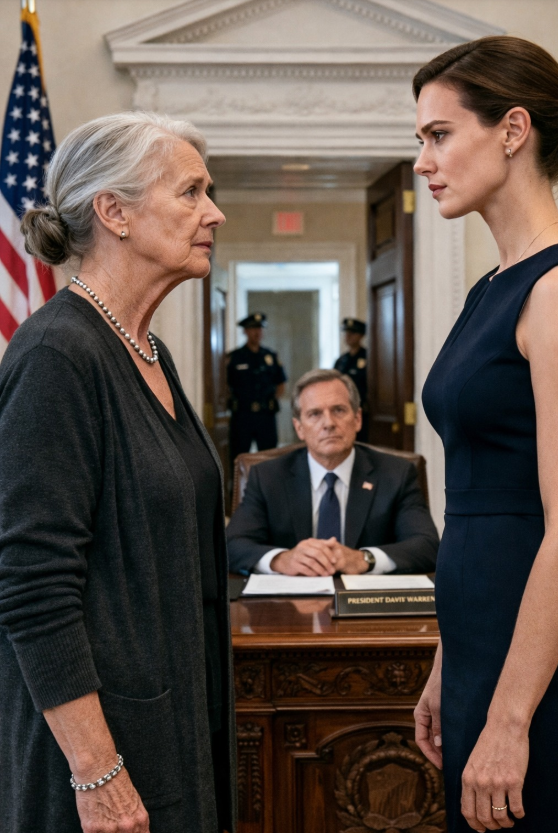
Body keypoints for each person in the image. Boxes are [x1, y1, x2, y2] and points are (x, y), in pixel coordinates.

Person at [0, 112, 236, 833]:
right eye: (191, 192)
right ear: (115, 212)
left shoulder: (149, 351)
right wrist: (97, 771)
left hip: (172, 725)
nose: (214, 213)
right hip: (98, 758)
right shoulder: (57, 355)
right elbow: (32, 585)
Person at [413, 36, 558, 833]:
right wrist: (449, 661)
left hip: (534, 665)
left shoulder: (554, 290)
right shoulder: (490, 289)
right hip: (478, 644)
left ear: (513, 129)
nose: (424, 161)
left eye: (440, 135)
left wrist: (509, 717)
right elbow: (475, 496)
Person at [227, 368, 438, 576]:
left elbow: (427, 545)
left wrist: (364, 559)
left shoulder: (396, 474)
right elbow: (232, 544)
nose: (328, 423)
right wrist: (281, 560)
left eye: (338, 410)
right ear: (299, 428)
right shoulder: (267, 477)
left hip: (366, 596)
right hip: (292, 595)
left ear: (357, 419)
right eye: (315, 414)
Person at [227, 312, 287, 463]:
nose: (257, 332)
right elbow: (226, 385)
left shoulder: (270, 356)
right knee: (239, 458)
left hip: (265, 415)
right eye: (253, 328)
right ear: (245, 331)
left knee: (269, 458)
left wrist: (272, 399)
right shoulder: (234, 357)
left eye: (260, 328)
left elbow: (281, 384)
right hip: (242, 415)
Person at [334, 317, 368, 441]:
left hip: (362, 409)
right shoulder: (341, 360)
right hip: (342, 408)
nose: (348, 336)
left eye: (352, 333)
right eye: (346, 332)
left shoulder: (368, 357)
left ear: (361, 335)